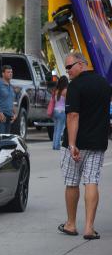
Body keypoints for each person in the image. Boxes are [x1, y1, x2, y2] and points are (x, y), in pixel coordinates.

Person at [58, 52, 111, 240]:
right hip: (97, 143)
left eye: (69, 67)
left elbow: (73, 116)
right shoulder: (105, 84)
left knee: (72, 182)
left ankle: (71, 224)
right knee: (91, 181)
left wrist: (72, 144)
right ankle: (89, 228)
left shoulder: (76, 86)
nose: (67, 72)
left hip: (77, 145)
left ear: (81, 64)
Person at [51, 75, 68, 150]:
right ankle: (57, 145)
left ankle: (54, 145)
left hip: (55, 111)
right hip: (62, 111)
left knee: (56, 129)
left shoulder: (56, 90)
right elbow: (67, 102)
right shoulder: (66, 91)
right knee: (60, 129)